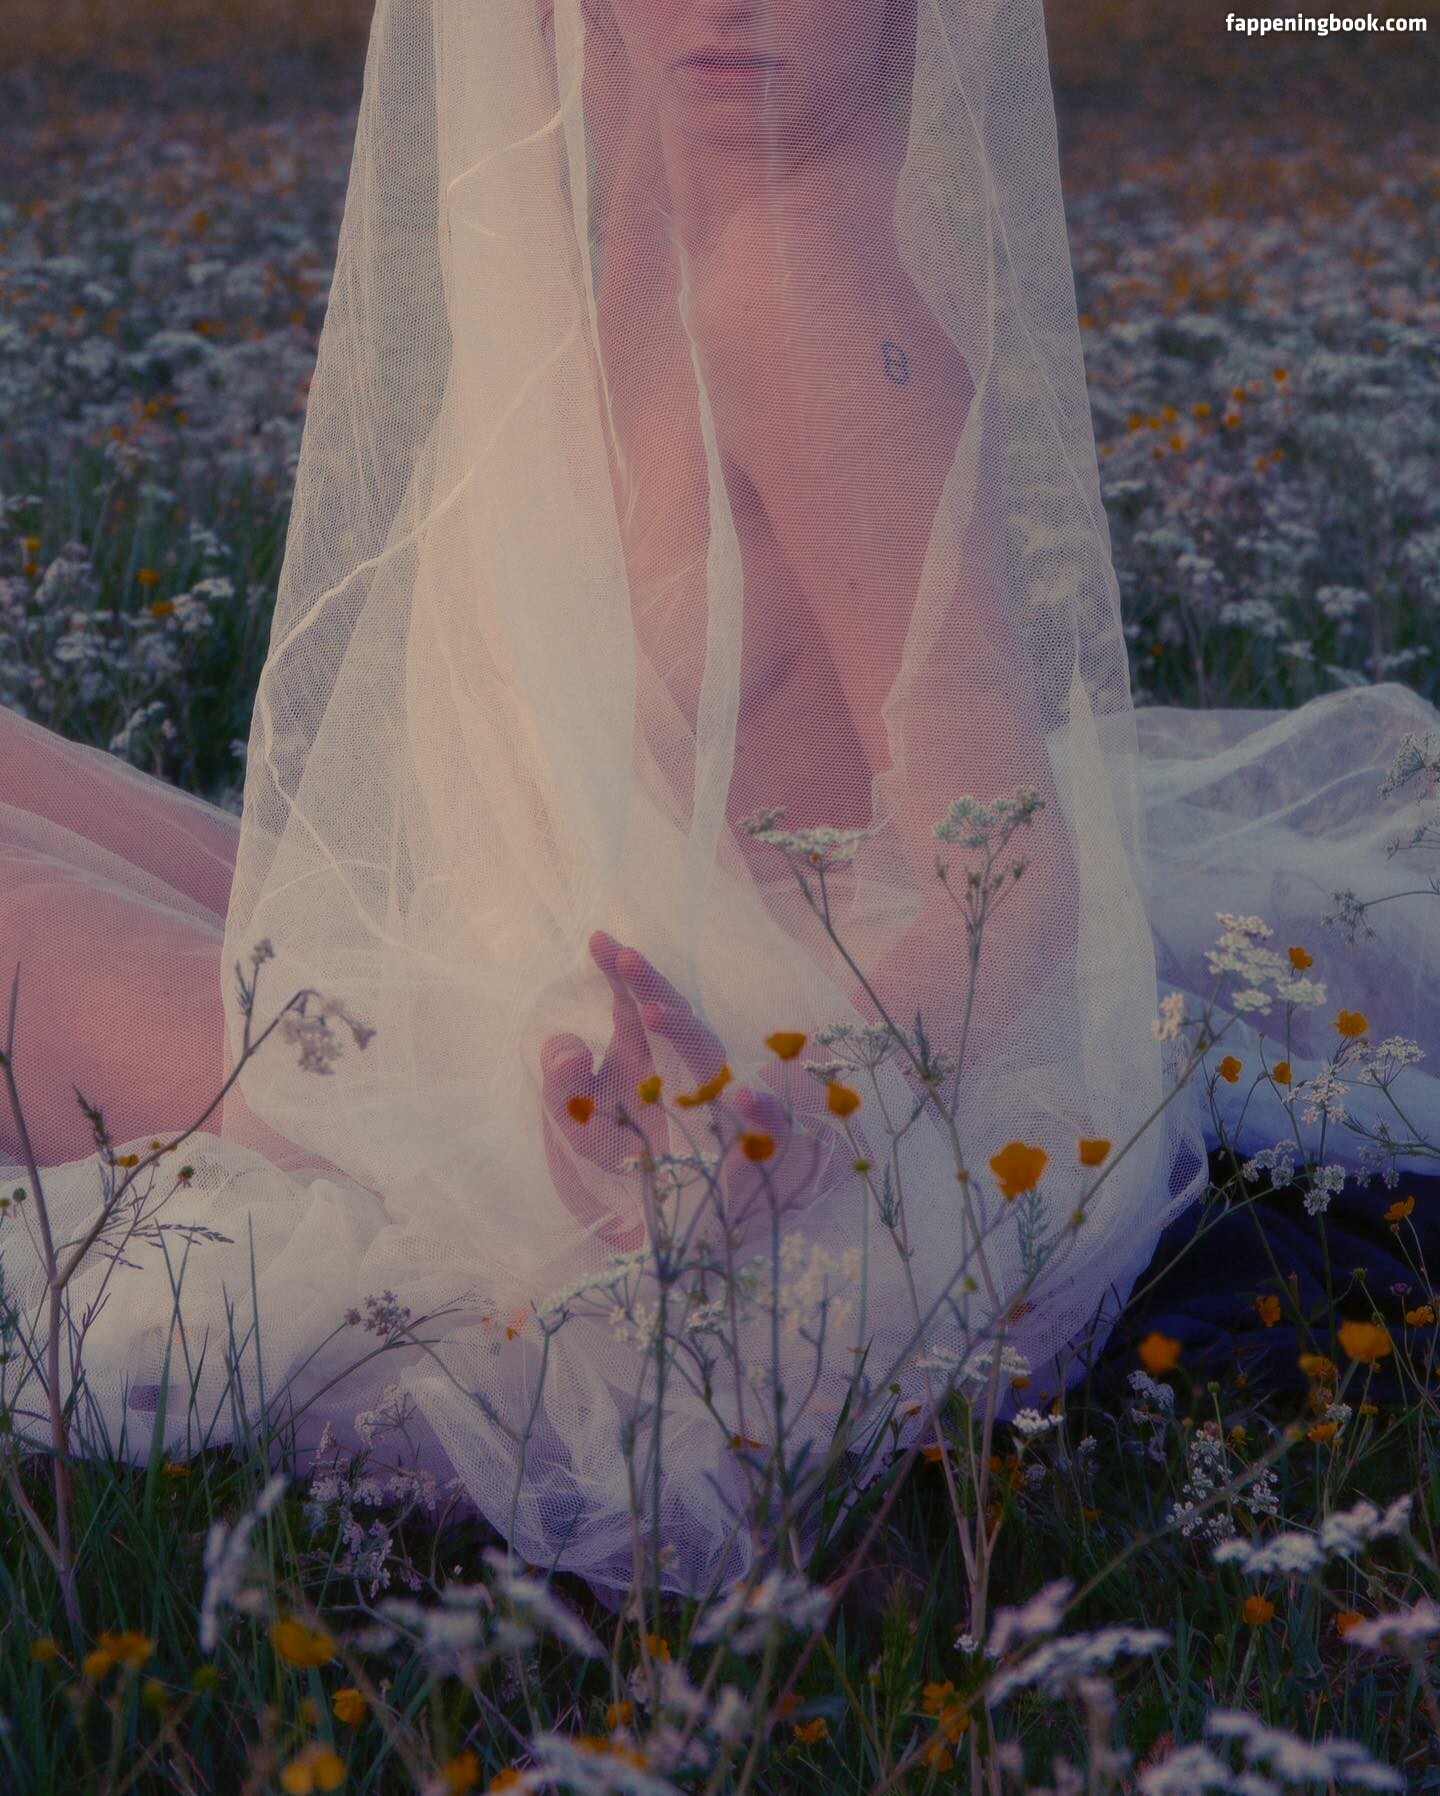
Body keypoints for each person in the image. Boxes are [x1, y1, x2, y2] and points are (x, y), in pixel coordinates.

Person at [1, 0, 1436, 1598]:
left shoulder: (798, 288)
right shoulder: (632, 253)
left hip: (697, 1124)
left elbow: (1009, 860)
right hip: (576, 1003)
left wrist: (806, 1109)